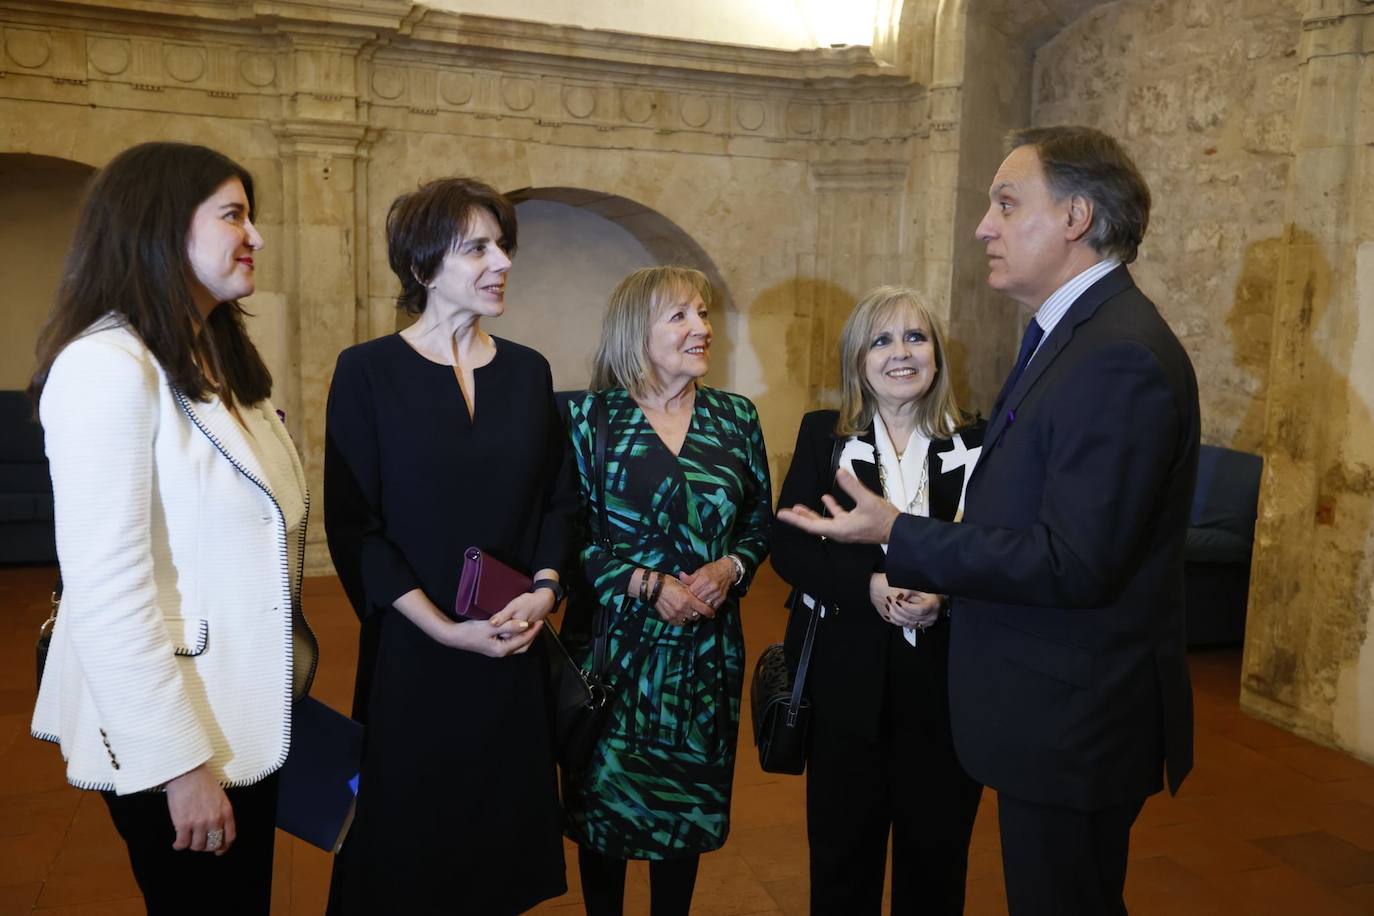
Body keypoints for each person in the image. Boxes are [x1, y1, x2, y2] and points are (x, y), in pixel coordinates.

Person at [778, 125, 1199, 916]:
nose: (983, 227)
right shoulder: (1070, 338)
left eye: (1007, 203)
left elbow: (1076, 560)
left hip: (1074, 717)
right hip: (1023, 704)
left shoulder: (1115, 354)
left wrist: (899, 537)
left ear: (1075, 217)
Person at [29, 141, 314, 915]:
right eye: (233, 215)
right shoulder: (105, 367)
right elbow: (108, 592)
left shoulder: (214, 357)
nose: (254, 236)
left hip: (241, 709)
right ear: (160, 229)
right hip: (179, 733)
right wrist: (177, 765)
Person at [323, 176, 576, 914]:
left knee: (499, 855)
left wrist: (545, 590)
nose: (501, 262)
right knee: (405, 852)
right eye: (478, 247)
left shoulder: (529, 373)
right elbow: (355, 528)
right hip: (415, 649)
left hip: (512, 643)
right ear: (424, 266)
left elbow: (559, 502)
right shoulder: (366, 371)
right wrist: (443, 629)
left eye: (503, 245)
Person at [561, 266, 772, 916]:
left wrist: (731, 568)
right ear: (636, 330)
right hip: (616, 660)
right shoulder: (588, 419)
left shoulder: (735, 418)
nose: (702, 328)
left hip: (704, 659)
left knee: (683, 823)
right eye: (679, 315)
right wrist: (644, 582)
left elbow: (759, 521)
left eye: (703, 314)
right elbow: (567, 537)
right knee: (605, 825)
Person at [770, 286, 984, 914]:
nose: (901, 353)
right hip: (844, 683)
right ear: (857, 359)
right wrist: (867, 583)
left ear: (937, 356)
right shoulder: (822, 436)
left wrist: (944, 598)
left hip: (945, 687)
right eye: (881, 339)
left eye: (916, 337)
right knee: (841, 865)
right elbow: (791, 546)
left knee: (937, 866)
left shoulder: (976, 440)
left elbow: (1000, 552)